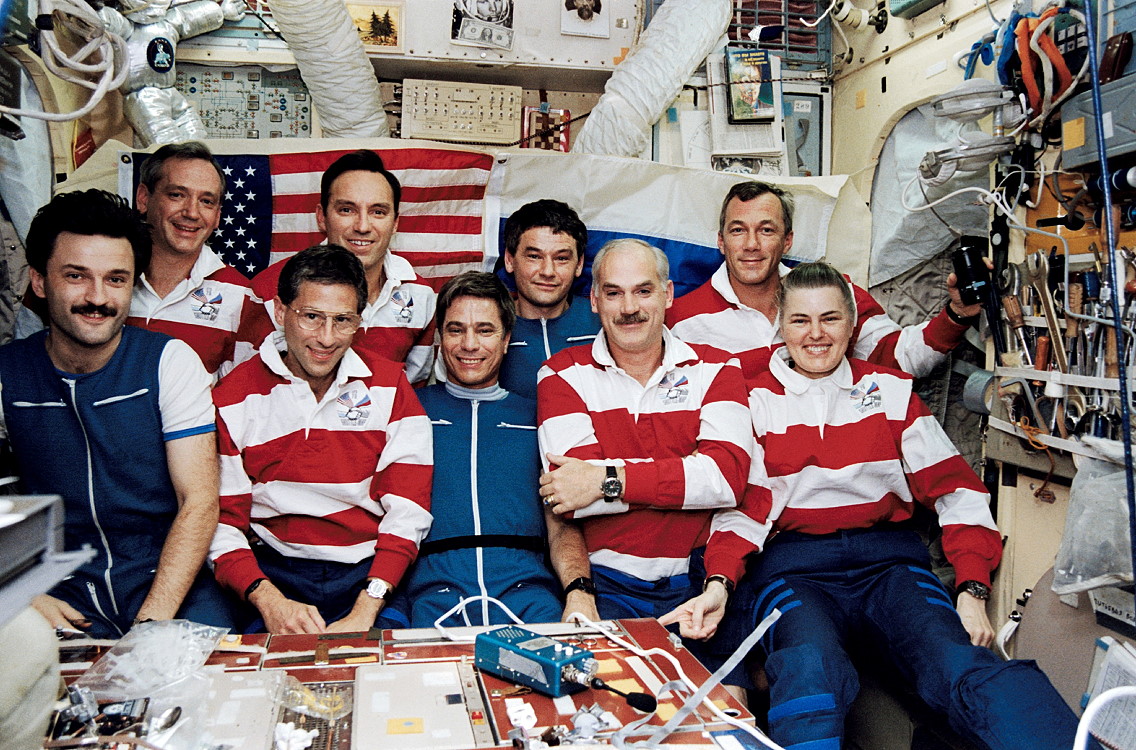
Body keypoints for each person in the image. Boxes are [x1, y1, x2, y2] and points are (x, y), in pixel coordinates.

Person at [664, 261, 1082, 750]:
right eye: (800, 320)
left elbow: (959, 492)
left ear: (852, 325)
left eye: (830, 319)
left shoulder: (890, 392)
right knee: (809, 672)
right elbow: (745, 511)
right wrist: (719, 582)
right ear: (781, 324)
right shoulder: (749, 395)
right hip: (794, 571)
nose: (815, 335)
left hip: (890, 567)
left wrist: (972, 588)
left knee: (960, 663)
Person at [0, 189, 232, 637]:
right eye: (76, 276)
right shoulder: (7, 373)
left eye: (116, 279)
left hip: (168, 579)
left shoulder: (168, 361)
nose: (97, 297)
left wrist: (150, 625)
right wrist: (21, 590)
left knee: (209, 673)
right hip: (58, 590)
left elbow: (199, 501)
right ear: (39, 281)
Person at [209, 245, 433, 634]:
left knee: (389, 661)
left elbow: (408, 510)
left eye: (342, 320)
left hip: (371, 574)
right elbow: (220, 521)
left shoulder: (391, 386)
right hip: (271, 574)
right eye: (311, 317)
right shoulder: (231, 398)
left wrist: (366, 607)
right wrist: (269, 601)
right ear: (280, 312)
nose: (326, 338)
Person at [536, 238, 754, 622]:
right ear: (594, 300)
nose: (629, 308)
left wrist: (605, 479)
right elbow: (572, 497)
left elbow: (726, 480)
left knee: (734, 671)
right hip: (605, 583)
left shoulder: (718, 369)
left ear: (668, 294)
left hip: (700, 578)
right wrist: (688, 473)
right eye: (613, 293)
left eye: (643, 291)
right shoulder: (561, 374)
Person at [384, 272, 562, 628]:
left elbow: (564, 521)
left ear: (506, 339)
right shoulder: (407, 410)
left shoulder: (540, 415)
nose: (469, 344)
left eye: (484, 330)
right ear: (439, 337)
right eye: (456, 330)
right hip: (432, 598)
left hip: (529, 598)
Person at [667, 180, 981, 382]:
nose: (751, 244)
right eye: (738, 230)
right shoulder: (679, 319)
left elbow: (900, 359)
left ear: (787, 241)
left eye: (766, 230)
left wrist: (956, 315)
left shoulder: (835, 293)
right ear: (721, 241)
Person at [16, 142, 267, 379]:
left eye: (206, 201)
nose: (192, 212)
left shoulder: (242, 297)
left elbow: (245, 397)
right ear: (144, 198)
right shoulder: (72, 280)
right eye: (177, 195)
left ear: (218, 216)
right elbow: (24, 368)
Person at [249, 150, 436, 384]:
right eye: (347, 210)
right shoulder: (267, 289)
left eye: (378, 212)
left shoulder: (420, 294)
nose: (362, 226)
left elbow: (414, 387)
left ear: (395, 222)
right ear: (322, 217)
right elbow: (250, 387)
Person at [497, 199, 599, 399]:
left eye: (561, 258)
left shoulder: (603, 322)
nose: (548, 271)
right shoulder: (488, 326)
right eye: (534, 256)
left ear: (579, 264)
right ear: (509, 260)